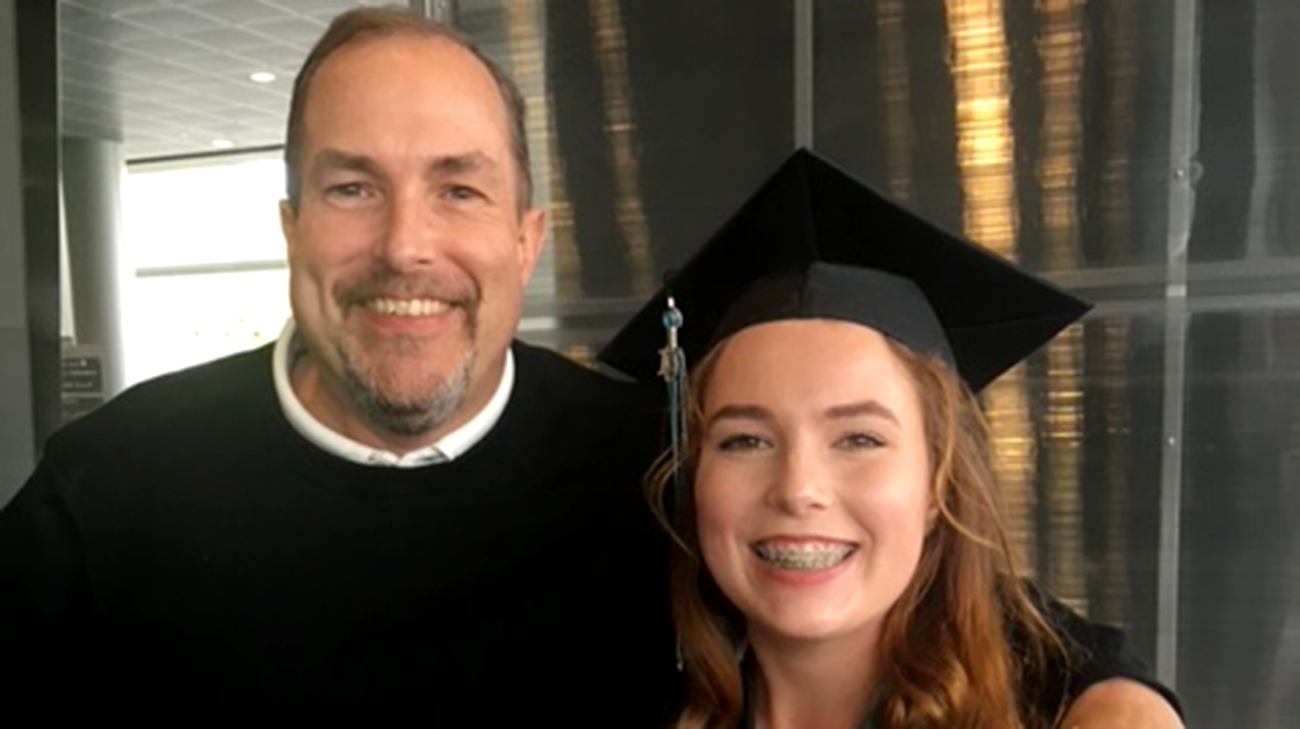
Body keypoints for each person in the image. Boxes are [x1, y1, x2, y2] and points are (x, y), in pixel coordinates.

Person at [0, 6, 1170, 724]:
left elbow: (949, 606)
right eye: (352, 187)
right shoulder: (112, 487)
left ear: (525, 238)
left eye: (458, 187)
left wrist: (1121, 702)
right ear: (293, 225)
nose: (407, 244)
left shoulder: (649, 470)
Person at [599, 149, 1186, 728]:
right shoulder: (609, 689)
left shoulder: (1042, 712)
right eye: (745, 440)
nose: (799, 490)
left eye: (859, 439)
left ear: (936, 483)